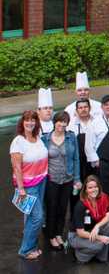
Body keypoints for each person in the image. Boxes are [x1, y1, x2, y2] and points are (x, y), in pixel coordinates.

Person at [10, 110, 48, 260]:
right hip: (28, 186)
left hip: (41, 181)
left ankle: (31, 246)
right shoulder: (18, 141)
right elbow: (17, 167)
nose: (30, 123)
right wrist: (20, 189)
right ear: (22, 122)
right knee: (37, 217)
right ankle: (25, 250)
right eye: (27, 120)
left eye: (33, 120)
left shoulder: (38, 137)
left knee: (32, 217)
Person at [41, 111, 82, 250]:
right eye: (60, 121)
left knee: (63, 209)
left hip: (68, 179)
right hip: (51, 180)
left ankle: (59, 234)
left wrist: (77, 178)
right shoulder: (45, 139)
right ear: (54, 122)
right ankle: (51, 236)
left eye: (65, 122)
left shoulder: (71, 137)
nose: (62, 124)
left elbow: (76, 158)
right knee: (51, 208)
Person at [69, 175, 109, 264]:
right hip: (77, 235)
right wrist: (100, 237)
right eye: (90, 187)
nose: (94, 190)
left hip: (92, 229)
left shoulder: (103, 197)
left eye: (95, 187)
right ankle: (80, 256)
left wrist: (97, 226)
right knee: (99, 244)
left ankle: (101, 257)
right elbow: (80, 232)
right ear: (85, 190)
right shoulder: (81, 205)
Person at [67, 99, 96, 183]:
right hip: (80, 164)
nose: (83, 109)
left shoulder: (97, 121)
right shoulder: (71, 125)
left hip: (95, 162)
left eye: (85, 107)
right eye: (80, 108)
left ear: (90, 108)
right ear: (76, 110)